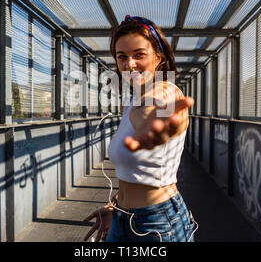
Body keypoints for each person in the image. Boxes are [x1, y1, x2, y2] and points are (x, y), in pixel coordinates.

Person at [83, 15, 197, 242]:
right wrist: (114, 205)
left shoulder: (168, 89)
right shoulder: (129, 102)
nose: (130, 64)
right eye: (122, 57)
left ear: (158, 57)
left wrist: (149, 120)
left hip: (158, 222)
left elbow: (155, 106)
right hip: (121, 217)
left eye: (139, 55)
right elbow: (134, 175)